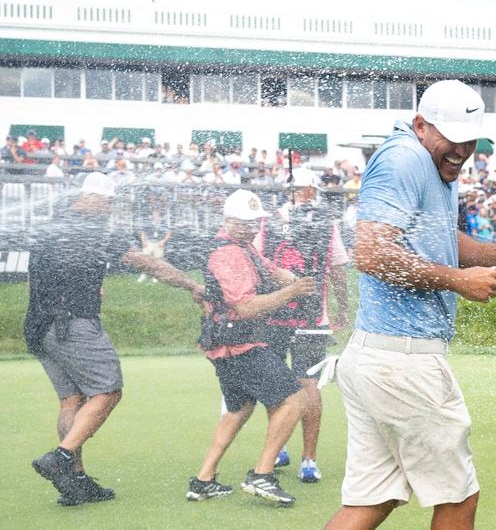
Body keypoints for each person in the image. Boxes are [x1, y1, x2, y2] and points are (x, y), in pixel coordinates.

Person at [324, 80, 496, 530]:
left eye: (469, 139)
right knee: (459, 498)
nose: (461, 149)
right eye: (451, 137)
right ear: (421, 125)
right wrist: (457, 281)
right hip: (404, 364)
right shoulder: (406, 159)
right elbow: (372, 253)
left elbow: (438, 238)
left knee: (373, 501)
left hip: (377, 358)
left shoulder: (430, 163)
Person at [25, 173, 204, 507]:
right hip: (70, 325)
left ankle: (75, 482)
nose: (110, 209)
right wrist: (192, 285)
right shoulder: (96, 229)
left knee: (72, 401)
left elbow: (43, 277)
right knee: (108, 390)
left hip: (39, 326)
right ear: (90, 198)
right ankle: (61, 457)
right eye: (107, 202)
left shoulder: (53, 225)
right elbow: (148, 264)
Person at [188, 189, 315, 506]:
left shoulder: (243, 247)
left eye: (256, 222)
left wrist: (295, 279)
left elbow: (271, 270)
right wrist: (293, 292)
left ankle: (203, 480)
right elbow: (244, 307)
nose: (253, 228)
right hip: (239, 345)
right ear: (228, 222)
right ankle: (262, 475)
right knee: (294, 398)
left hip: (229, 345)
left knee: (238, 409)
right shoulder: (229, 253)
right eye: (245, 223)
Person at [254, 167, 349, 483]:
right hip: (312, 319)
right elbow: (337, 272)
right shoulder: (326, 222)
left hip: (274, 316)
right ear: (310, 190)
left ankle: (281, 449)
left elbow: (256, 265)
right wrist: (342, 309)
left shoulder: (267, 221)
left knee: (277, 381)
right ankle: (309, 459)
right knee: (307, 384)